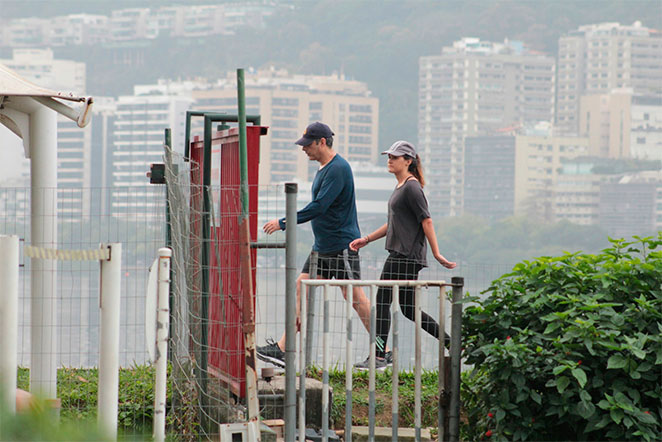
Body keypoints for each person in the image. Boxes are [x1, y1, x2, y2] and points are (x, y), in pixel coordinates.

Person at [257, 122, 389, 368]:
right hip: (322, 245)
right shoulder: (322, 169)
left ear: (322, 142)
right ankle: (285, 349)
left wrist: (284, 222)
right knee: (301, 286)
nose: (304, 149)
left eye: (308, 145)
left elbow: (319, 207)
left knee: (355, 296)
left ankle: (384, 352)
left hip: (341, 245)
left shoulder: (339, 169)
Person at [350, 140, 456, 370]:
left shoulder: (412, 187)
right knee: (408, 309)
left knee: (382, 301)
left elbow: (426, 220)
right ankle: (451, 342)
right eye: (389, 156)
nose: (389, 160)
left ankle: (379, 355)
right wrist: (366, 239)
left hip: (405, 255)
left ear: (408, 161)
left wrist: (436, 253)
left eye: (395, 157)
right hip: (402, 254)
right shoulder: (401, 187)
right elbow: (393, 224)